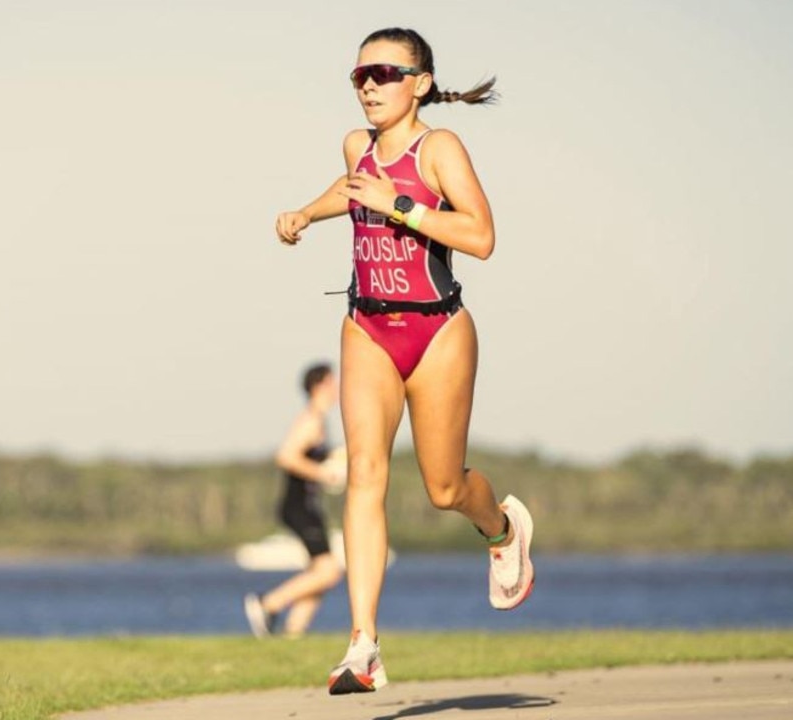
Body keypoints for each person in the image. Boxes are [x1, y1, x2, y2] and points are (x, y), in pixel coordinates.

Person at [274, 27, 535, 695]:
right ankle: (363, 645)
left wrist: (401, 206)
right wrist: (306, 212)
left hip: (438, 331)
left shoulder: (439, 148)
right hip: (366, 328)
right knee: (365, 473)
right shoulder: (355, 145)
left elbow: (481, 236)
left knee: (443, 488)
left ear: (418, 83)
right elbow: (351, 186)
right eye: (359, 75)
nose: (368, 85)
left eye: (385, 73)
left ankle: (503, 529)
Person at [244, 363, 346, 639]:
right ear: (320, 385)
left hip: (310, 506)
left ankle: (294, 634)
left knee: (320, 573)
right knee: (328, 572)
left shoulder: (320, 420)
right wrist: (323, 472)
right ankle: (267, 604)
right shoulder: (311, 420)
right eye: (333, 382)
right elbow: (287, 456)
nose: (338, 388)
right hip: (298, 506)